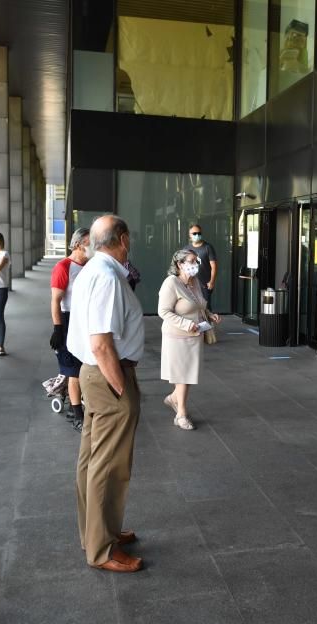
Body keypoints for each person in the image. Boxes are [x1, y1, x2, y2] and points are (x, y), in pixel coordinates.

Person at [66, 215, 145, 573]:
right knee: (109, 465)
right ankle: (102, 548)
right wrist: (120, 387)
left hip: (94, 375)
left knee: (92, 459)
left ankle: (98, 532)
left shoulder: (91, 270)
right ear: (123, 238)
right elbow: (101, 344)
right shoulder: (108, 276)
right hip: (106, 375)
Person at [158, 249, 222, 431]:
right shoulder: (171, 283)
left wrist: (210, 315)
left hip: (195, 336)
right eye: (192, 261)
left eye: (197, 261)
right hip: (177, 336)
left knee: (188, 375)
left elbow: (199, 305)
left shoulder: (194, 282)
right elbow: (163, 311)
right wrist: (187, 325)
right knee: (182, 376)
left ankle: (173, 398)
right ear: (180, 264)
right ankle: (181, 414)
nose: (196, 265)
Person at [50, 228, 90, 431]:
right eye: (89, 243)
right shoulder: (63, 266)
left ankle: (84, 403)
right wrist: (58, 328)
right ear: (78, 244)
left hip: (88, 320)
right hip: (68, 319)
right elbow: (55, 300)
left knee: (87, 365)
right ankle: (77, 414)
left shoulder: (91, 266)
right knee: (73, 370)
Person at [184, 224, 218, 306]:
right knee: (191, 307)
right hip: (190, 284)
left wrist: (212, 281)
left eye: (199, 233)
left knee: (205, 307)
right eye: (194, 233)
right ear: (189, 235)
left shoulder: (208, 247)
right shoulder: (186, 249)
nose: (197, 235)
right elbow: (183, 266)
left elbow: (214, 266)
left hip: (205, 284)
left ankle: (207, 319)